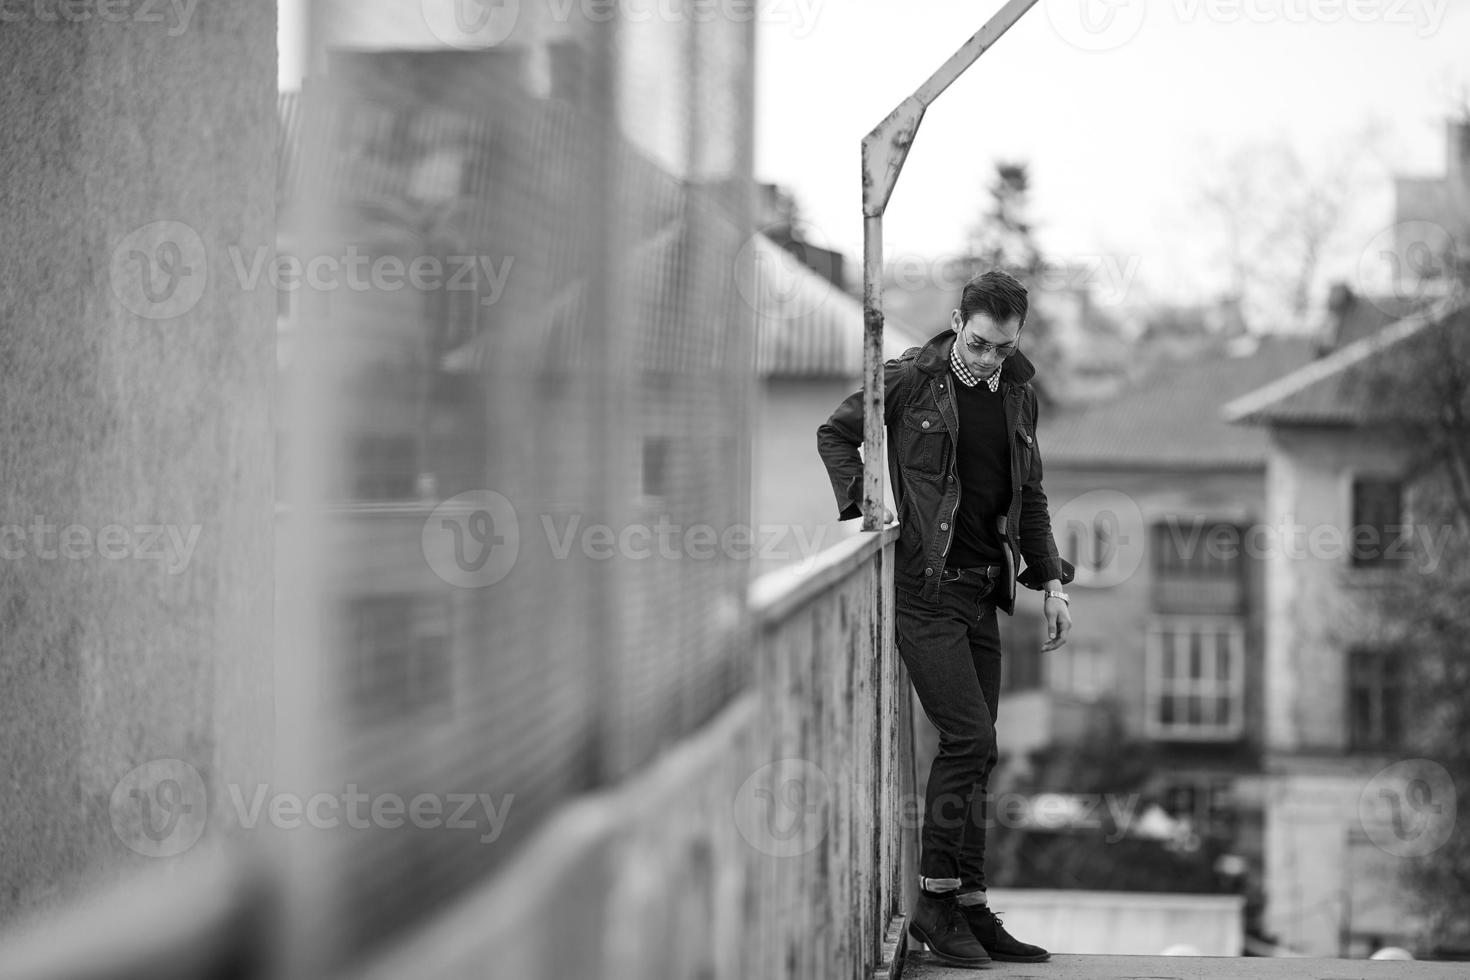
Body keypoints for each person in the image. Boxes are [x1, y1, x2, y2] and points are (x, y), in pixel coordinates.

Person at [816, 269, 1074, 969]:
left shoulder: (1018, 392)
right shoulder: (910, 380)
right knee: (965, 736)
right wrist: (869, 509)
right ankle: (933, 899)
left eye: (1003, 347)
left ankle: (968, 904)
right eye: (982, 343)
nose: (990, 359)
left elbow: (1033, 494)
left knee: (981, 749)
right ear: (959, 320)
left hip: (985, 590)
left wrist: (1050, 580)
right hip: (926, 591)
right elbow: (836, 435)